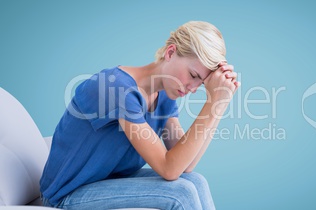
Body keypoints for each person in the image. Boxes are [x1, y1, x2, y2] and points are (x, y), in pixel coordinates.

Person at [40, 21, 240, 210]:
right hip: (67, 192)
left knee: (196, 180)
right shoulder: (117, 87)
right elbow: (168, 169)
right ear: (171, 52)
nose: (194, 88)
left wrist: (218, 103)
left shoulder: (165, 95)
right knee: (181, 192)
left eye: (201, 83)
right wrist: (212, 102)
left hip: (107, 180)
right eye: (194, 76)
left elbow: (186, 165)